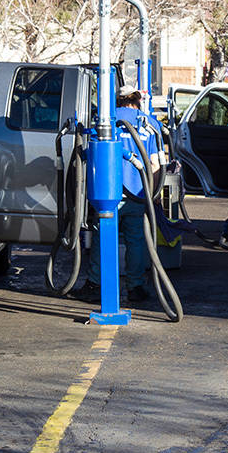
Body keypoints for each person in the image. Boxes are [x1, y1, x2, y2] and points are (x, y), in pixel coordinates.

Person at [75, 86, 160, 304]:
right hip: (138, 192)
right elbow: (155, 163)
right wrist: (153, 194)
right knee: (136, 241)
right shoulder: (149, 122)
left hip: (108, 190)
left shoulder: (105, 121)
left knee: (102, 239)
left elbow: (90, 152)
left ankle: (95, 284)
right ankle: (136, 287)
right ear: (137, 100)